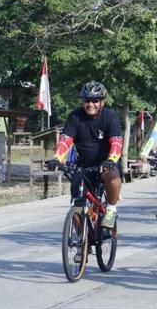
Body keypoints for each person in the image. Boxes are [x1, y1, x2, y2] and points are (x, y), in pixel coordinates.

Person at [48, 81, 123, 228]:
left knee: (113, 176)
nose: (90, 104)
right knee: (76, 209)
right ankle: (82, 241)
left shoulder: (110, 116)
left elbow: (116, 141)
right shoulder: (75, 116)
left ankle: (111, 209)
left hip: (106, 163)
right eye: (87, 100)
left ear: (102, 102)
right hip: (83, 165)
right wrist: (57, 158)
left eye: (95, 100)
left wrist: (111, 159)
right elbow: (65, 140)